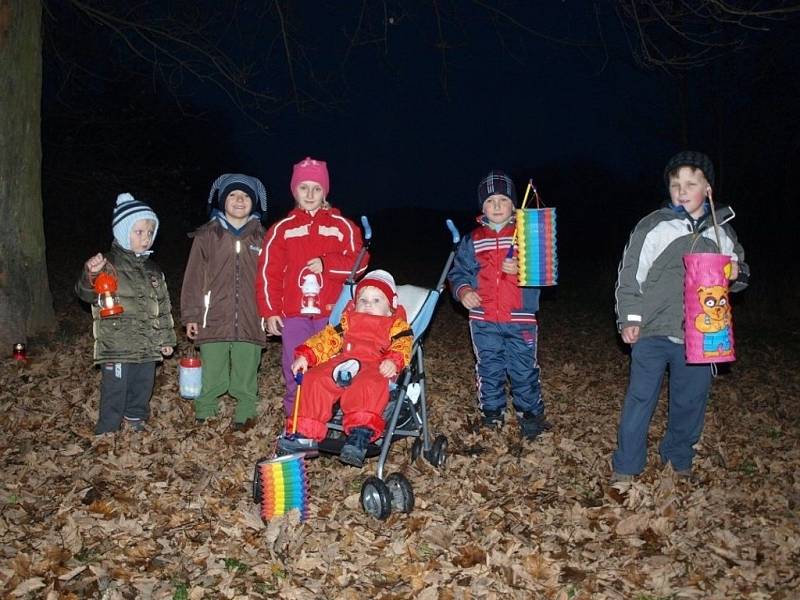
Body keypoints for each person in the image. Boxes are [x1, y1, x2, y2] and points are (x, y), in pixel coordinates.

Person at [612, 151, 749, 482]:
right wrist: (630, 318)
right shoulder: (654, 226)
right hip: (652, 329)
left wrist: (735, 273)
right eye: (676, 185)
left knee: (690, 402)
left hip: (701, 335)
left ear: (709, 190)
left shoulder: (722, 233)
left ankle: (678, 460)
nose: (683, 191)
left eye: (692, 183)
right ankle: (627, 466)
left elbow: (742, 277)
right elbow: (631, 274)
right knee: (641, 398)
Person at [257, 157, 368, 418]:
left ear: (325, 192)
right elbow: (267, 273)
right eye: (304, 187)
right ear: (294, 191)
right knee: (295, 366)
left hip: (331, 315)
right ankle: (295, 422)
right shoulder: (281, 230)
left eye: (316, 188)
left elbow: (360, 261)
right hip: (294, 314)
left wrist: (327, 264)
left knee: (329, 366)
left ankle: (324, 420)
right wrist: (270, 311)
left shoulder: (342, 227)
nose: (310, 194)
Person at [447, 170, 549, 440]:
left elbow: (544, 273)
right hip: (483, 319)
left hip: (520, 317)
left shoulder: (528, 235)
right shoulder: (473, 240)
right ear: (482, 207)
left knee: (523, 367)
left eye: (502, 200)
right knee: (489, 367)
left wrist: (521, 268)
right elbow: (458, 272)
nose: (496, 206)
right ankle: (492, 412)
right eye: (490, 202)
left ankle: (529, 413)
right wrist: (464, 291)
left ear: (513, 205)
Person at [276, 270, 413, 467]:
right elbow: (326, 340)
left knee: (368, 385)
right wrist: (306, 355)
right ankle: (305, 433)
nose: (368, 304)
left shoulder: (395, 325)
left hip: (375, 363)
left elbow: (404, 344)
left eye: (376, 300)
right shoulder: (347, 321)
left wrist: (394, 360)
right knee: (314, 379)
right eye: (363, 299)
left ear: (390, 307)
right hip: (344, 359)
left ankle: (359, 434)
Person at [75, 193, 176, 434]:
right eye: (139, 232)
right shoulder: (107, 265)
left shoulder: (153, 270)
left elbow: (163, 306)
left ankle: (135, 418)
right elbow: (85, 294)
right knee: (115, 388)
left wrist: (166, 339)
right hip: (117, 342)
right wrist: (91, 273)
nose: (146, 238)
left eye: (150, 233)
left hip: (148, 342)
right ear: (122, 232)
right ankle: (107, 428)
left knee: (143, 384)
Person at [181, 174, 268, 430]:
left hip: (252, 317)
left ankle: (245, 411)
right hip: (213, 316)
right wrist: (191, 315)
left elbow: (271, 278)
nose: (239, 200)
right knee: (213, 368)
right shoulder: (208, 235)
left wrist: (272, 313)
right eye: (232, 195)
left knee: (246, 368)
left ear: (253, 203)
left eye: (245, 196)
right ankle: (205, 408)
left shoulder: (263, 237)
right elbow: (193, 277)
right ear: (222, 201)